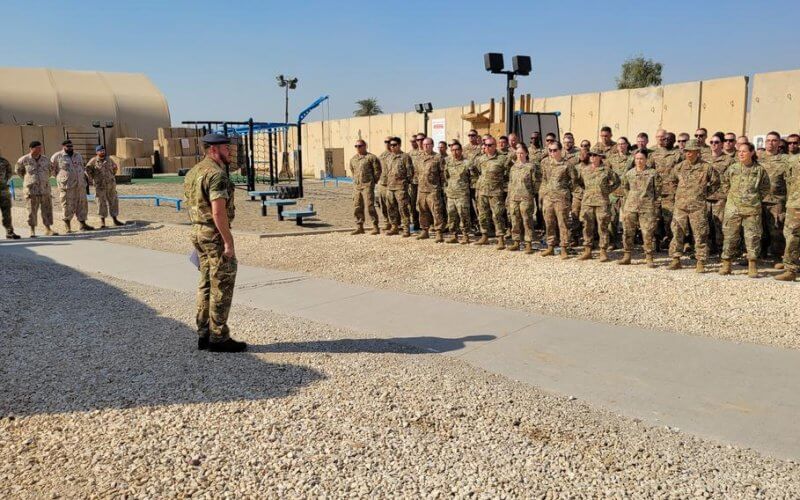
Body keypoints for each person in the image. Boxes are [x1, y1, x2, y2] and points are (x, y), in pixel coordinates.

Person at [184, 133, 246, 353]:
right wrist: (228, 242)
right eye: (226, 148)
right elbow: (218, 212)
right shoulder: (216, 174)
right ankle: (218, 337)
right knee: (221, 282)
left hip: (197, 231)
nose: (230, 152)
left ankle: (204, 333)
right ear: (212, 150)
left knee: (206, 282)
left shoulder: (193, 172)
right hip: (214, 234)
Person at [665, 139, 721, 272]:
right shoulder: (679, 167)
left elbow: (716, 182)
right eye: (686, 151)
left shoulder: (706, 167)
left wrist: (704, 193)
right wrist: (678, 194)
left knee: (700, 233)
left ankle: (700, 261)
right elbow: (671, 181)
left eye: (691, 151)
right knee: (677, 232)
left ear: (698, 152)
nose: (688, 154)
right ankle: (676, 259)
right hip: (681, 206)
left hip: (698, 206)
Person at [718, 142, 771, 278]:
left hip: (752, 209)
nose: (740, 153)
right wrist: (731, 196)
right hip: (733, 208)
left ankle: (752, 265)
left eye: (744, 151)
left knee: (752, 237)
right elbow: (724, 183)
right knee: (730, 236)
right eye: (739, 151)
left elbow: (765, 188)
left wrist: (754, 199)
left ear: (752, 153)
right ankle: (727, 263)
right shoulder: (733, 168)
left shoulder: (759, 170)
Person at [619, 150, 662, 267]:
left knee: (647, 232)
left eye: (641, 158)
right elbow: (625, 188)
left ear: (646, 159)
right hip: (631, 206)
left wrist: (655, 206)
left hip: (647, 207)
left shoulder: (653, 173)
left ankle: (649, 257)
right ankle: (627, 255)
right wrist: (630, 200)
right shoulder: (629, 174)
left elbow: (658, 190)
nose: (639, 161)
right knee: (628, 231)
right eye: (637, 158)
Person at [576, 151, 620, 261]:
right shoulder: (584, 170)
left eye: (595, 155)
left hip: (602, 202)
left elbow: (617, 181)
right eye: (590, 155)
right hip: (587, 202)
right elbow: (580, 182)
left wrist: (607, 191)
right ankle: (587, 250)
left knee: (603, 227)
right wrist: (586, 192)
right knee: (587, 226)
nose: (592, 157)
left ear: (600, 157)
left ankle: (603, 251)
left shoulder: (606, 170)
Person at [540, 141, 578, 258]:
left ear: (560, 150)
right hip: (548, 198)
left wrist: (567, 193)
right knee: (549, 223)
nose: (552, 153)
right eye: (550, 150)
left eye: (555, 150)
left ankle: (564, 248)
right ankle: (550, 246)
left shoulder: (567, 164)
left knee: (563, 223)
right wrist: (542, 195)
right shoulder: (545, 163)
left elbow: (574, 181)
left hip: (562, 199)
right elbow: (544, 180)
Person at [50, 139, 93, 233]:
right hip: (67, 186)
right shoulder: (57, 156)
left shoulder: (78, 155)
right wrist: (61, 178)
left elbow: (82, 167)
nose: (70, 148)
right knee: (67, 205)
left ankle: (82, 224)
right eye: (68, 146)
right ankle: (67, 225)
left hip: (80, 185)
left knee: (82, 204)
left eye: (71, 146)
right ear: (63, 146)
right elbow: (52, 170)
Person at [759, 131, 789, 264]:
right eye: (768, 140)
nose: (770, 143)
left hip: (777, 201)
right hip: (759, 200)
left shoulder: (785, 160)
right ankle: (759, 255)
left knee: (776, 230)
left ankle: (777, 257)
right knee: (759, 229)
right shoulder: (758, 158)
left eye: (774, 140)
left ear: (779, 143)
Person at [15, 141, 56, 237]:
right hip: (31, 190)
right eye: (38, 148)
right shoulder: (23, 160)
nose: (40, 150)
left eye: (40, 148)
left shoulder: (45, 159)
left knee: (47, 210)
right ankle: (32, 230)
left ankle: (48, 229)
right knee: (31, 211)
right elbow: (19, 171)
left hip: (44, 189)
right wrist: (29, 180)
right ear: (31, 148)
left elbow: (50, 171)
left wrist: (43, 179)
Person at [474, 137, 508, 249]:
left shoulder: (502, 159)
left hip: (496, 192)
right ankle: (484, 236)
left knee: (497, 215)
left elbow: (509, 173)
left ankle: (500, 239)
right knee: (483, 215)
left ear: (495, 146)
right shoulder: (480, 159)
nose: (487, 147)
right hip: (482, 191)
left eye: (490, 145)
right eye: (486, 145)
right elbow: (476, 171)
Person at [506, 142, 539, 254]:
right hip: (514, 197)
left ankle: (528, 243)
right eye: (518, 153)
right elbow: (510, 183)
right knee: (514, 220)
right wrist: (509, 197)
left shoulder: (531, 167)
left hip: (526, 197)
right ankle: (516, 242)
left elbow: (535, 183)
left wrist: (531, 194)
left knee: (527, 220)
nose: (519, 155)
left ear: (526, 153)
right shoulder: (513, 168)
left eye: (521, 153)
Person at [651, 132, 682, 248]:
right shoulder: (655, 154)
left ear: (674, 141)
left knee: (669, 219)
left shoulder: (678, 154)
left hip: (671, 192)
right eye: (664, 139)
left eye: (669, 139)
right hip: (656, 192)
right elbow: (649, 170)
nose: (666, 141)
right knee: (654, 218)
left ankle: (670, 241)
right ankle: (655, 241)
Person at [705, 133, 734, 255]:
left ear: (722, 144)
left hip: (721, 197)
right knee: (705, 224)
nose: (714, 145)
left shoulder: (729, 160)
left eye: (716, 142)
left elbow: (732, 179)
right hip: (705, 196)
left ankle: (721, 250)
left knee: (720, 225)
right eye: (711, 142)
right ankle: (707, 248)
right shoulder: (704, 158)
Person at [444, 141, 477, 244]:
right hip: (451, 194)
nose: (455, 152)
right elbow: (446, 177)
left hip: (462, 194)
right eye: (453, 150)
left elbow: (474, 177)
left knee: (464, 215)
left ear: (461, 150)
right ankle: (454, 235)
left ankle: (465, 235)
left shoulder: (467, 163)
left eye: (457, 150)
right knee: (451, 215)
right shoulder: (448, 162)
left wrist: (469, 189)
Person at [414, 138, 446, 242]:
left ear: (432, 145)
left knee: (436, 211)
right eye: (424, 144)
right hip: (422, 189)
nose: (426, 146)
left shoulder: (438, 157)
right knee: (422, 211)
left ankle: (438, 232)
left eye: (428, 144)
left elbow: (443, 174)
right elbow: (416, 173)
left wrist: (442, 188)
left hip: (433, 189)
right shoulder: (419, 158)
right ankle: (424, 230)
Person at [348, 140, 382, 235]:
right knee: (357, 206)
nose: (358, 148)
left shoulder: (371, 158)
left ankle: (375, 226)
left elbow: (377, 171)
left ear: (365, 146)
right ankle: (359, 227)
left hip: (367, 185)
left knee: (370, 206)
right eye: (356, 146)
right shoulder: (353, 159)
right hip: (357, 186)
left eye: (360, 146)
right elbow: (352, 170)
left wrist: (372, 182)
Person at [776, 145, 800, 281]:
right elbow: (787, 183)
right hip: (794, 203)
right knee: (789, 234)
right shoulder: (792, 160)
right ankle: (790, 265)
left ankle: (791, 267)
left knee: (793, 235)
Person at [85, 145, 124, 228]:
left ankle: (115, 219)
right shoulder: (93, 161)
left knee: (113, 201)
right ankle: (102, 222)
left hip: (110, 185)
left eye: (103, 150)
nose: (102, 152)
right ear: (97, 152)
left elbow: (115, 168)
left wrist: (112, 177)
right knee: (101, 203)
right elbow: (87, 170)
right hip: (100, 186)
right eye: (100, 151)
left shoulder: (109, 159)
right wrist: (92, 179)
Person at [606, 137, 634, 249]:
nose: (621, 146)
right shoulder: (611, 159)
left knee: (628, 219)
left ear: (627, 145)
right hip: (614, 193)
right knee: (612, 218)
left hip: (627, 193)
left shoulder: (632, 158)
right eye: (618, 144)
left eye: (623, 144)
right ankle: (612, 242)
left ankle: (627, 243)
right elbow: (606, 173)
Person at [383, 137, 413, 237]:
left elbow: (410, 172)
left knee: (403, 208)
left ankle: (406, 228)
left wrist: (405, 183)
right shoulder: (388, 157)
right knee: (391, 208)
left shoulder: (405, 157)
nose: (392, 147)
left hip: (401, 187)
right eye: (391, 145)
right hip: (390, 187)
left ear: (399, 145)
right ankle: (394, 227)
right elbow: (387, 171)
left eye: (395, 145)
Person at [0, 152, 19, 239]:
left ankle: (9, 232)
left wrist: (4, 182)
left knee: (7, 212)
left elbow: (9, 172)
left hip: (3, 190)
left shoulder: (4, 162)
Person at [377, 136, 393, 230]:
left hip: (393, 185)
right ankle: (387, 222)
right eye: (385, 141)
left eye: (389, 141)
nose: (387, 143)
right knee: (382, 204)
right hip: (382, 183)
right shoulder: (382, 156)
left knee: (392, 205)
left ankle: (395, 223)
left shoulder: (396, 155)